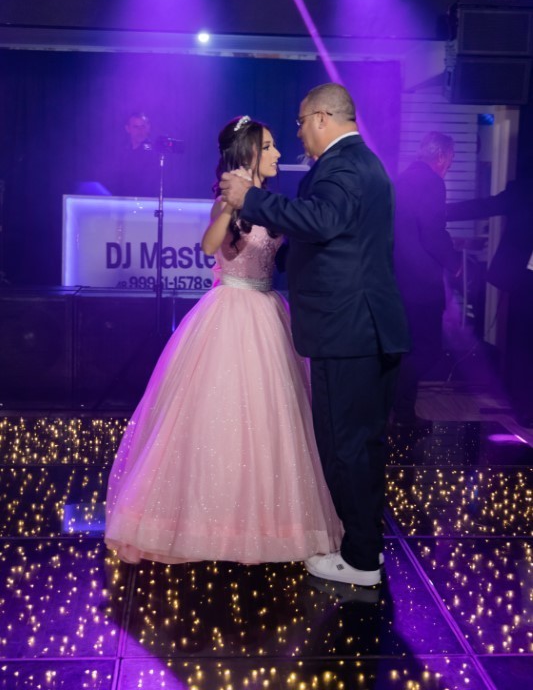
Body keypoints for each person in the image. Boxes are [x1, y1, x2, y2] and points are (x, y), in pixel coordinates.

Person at [105, 115, 342, 565]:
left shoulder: (271, 201)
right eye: (268, 147)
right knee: (219, 416)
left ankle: (266, 525)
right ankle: (203, 524)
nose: (276, 154)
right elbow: (208, 246)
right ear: (249, 153)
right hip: (231, 311)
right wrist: (232, 206)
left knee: (272, 418)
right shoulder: (227, 200)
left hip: (268, 310)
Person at [220, 83, 409, 587]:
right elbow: (337, 237)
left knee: (346, 447)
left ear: (323, 118)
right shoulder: (360, 162)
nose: (299, 132)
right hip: (362, 327)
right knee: (361, 445)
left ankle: (361, 560)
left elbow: (324, 220)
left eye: (302, 122)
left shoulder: (343, 165)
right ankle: (364, 549)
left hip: (348, 330)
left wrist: (252, 199)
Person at [447, 175, 533, 426]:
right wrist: (439, 211)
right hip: (527, 278)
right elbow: (486, 206)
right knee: (524, 343)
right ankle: (525, 407)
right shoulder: (527, 188)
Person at [392, 132, 461, 427]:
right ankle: (393, 399)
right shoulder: (432, 182)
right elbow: (433, 232)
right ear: (442, 156)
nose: (450, 165)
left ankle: (404, 414)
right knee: (429, 349)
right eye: (451, 158)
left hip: (397, 280)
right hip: (421, 285)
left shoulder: (401, 180)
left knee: (407, 348)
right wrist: (454, 262)